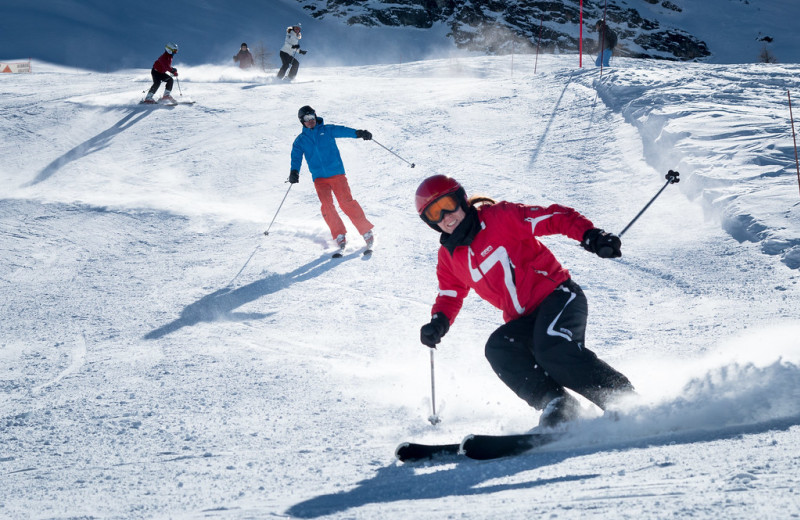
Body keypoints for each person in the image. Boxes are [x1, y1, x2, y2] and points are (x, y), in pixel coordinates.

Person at [415, 175, 634, 429]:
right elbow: (449, 294)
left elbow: (553, 217)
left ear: (461, 200)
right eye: (434, 213)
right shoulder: (449, 257)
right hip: (524, 319)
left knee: (552, 347)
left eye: (448, 205)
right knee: (499, 348)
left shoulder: (499, 218)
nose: (446, 217)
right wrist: (439, 321)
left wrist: (590, 234)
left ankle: (621, 399)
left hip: (558, 296)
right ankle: (559, 405)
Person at [289, 106, 375, 253]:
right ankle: (339, 234)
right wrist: (294, 171)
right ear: (301, 122)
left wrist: (358, 133)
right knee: (327, 205)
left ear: (315, 116)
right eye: (306, 119)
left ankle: (366, 231)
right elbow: (296, 156)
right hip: (319, 178)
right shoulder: (300, 140)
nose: (310, 121)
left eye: (312, 117)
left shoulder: (327, 130)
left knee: (346, 202)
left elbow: (343, 131)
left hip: (336, 174)